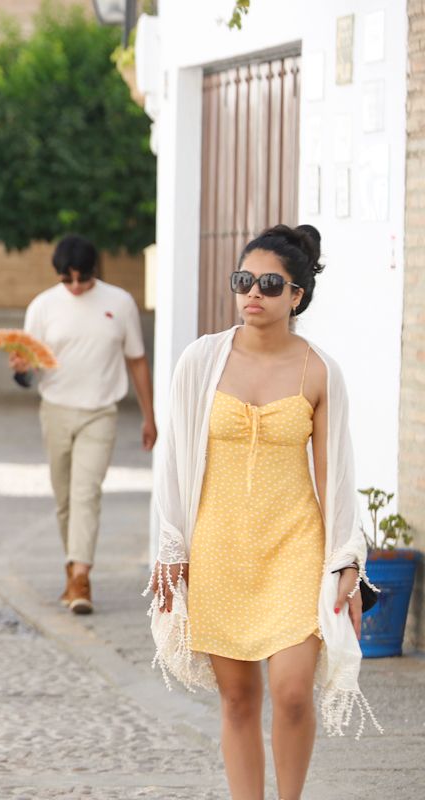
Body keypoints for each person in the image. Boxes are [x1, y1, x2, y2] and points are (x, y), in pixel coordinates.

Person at [148, 225, 374, 799]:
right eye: (244, 280)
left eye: (270, 284)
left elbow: (338, 475)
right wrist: (171, 548)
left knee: (294, 694)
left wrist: (346, 556)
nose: (254, 293)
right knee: (240, 698)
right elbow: (171, 462)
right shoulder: (201, 360)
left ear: (296, 295)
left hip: (295, 544)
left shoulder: (319, 371)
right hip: (218, 547)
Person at [11, 235, 156, 614]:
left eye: (83, 279)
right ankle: (72, 568)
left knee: (86, 493)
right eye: (67, 279)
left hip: (100, 412)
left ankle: (81, 578)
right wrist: (22, 370)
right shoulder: (42, 306)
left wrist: (149, 416)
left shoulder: (120, 302)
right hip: (55, 409)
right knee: (65, 500)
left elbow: (137, 361)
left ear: (96, 271)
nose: (75, 286)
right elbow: (27, 376)